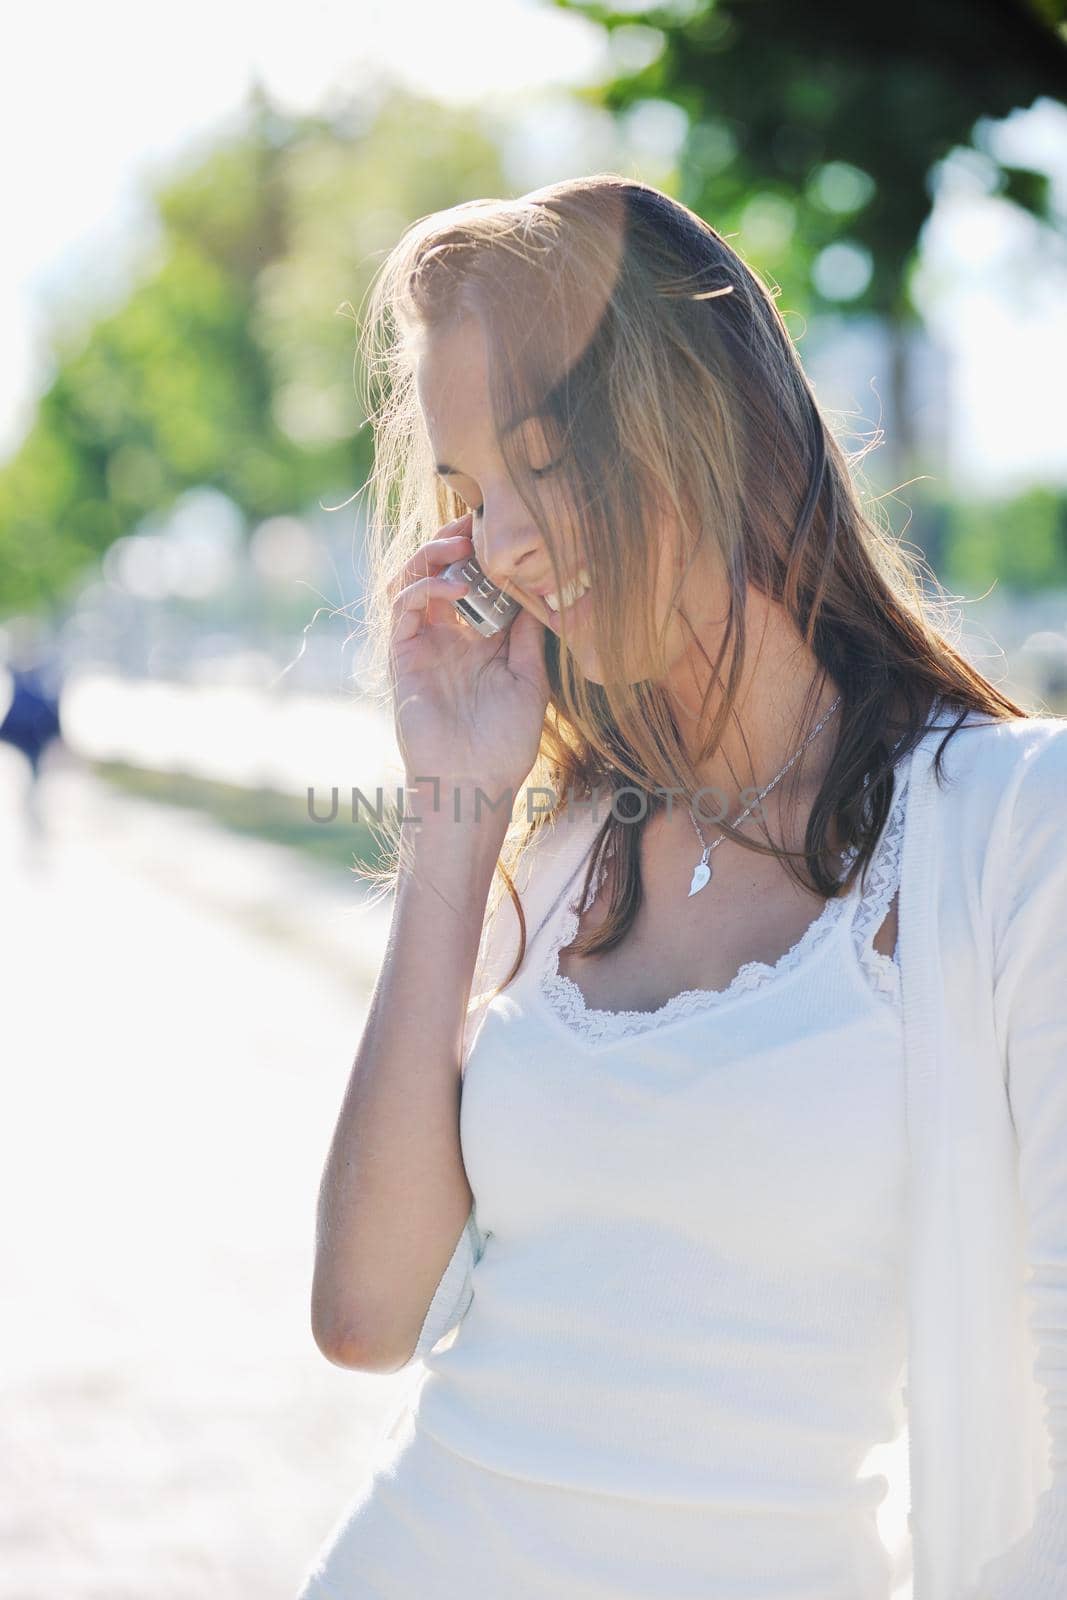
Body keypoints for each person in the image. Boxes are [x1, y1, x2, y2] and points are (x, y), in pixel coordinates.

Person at [297, 175, 1067, 1600]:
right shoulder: (569, 831)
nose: (506, 542)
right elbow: (365, 1314)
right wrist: (456, 816)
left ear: (707, 426)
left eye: (546, 460)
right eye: (473, 494)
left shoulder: (1014, 831)